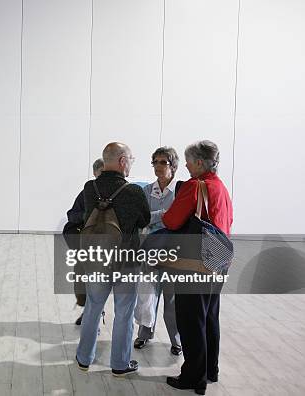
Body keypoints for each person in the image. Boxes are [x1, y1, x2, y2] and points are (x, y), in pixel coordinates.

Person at [163, 140, 233, 395]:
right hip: (219, 260)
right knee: (209, 317)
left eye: (190, 162)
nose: (188, 167)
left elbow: (172, 220)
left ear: (200, 162)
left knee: (191, 320)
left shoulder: (195, 186)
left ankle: (193, 377)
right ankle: (210, 370)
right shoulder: (221, 188)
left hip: (194, 264)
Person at [75, 142, 150, 377]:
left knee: (92, 308)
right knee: (123, 314)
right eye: (131, 159)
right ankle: (119, 364)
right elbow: (144, 220)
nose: (131, 164)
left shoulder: (90, 188)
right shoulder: (133, 191)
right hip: (126, 262)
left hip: (96, 260)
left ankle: (84, 358)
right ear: (122, 161)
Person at [134, 147, 182, 355]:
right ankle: (145, 334)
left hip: (172, 252)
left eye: (163, 162)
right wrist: (165, 215)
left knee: (171, 298)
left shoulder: (180, 191)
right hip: (150, 250)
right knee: (147, 294)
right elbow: (143, 218)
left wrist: (159, 218)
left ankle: (176, 340)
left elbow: (180, 221)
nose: (158, 166)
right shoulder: (146, 191)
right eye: (155, 162)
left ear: (173, 166)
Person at [63, 158, 104, 325]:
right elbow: (71, 215)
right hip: (85, 244)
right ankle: (89, 310)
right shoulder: (86, 192)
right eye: (101, 173)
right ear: (95, 173)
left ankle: (95, 314)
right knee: (82, 282)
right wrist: (88, 215)